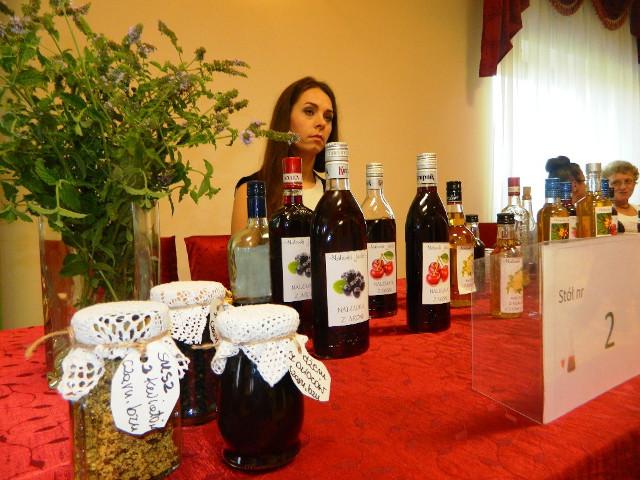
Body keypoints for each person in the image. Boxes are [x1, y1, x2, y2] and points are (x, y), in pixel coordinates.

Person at [230, 77, 339, 234]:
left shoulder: (334, 195)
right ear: (286, 118)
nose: (321, 123)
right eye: (309, 111)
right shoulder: (253, 191)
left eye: (328, 117)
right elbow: (245, 250)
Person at [603, 160, 638, 233]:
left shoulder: (638, 208)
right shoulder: (602, 212)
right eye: (616, 182)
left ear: (634, 184)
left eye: (628, 181)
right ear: (606, 186)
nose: (623, 187)